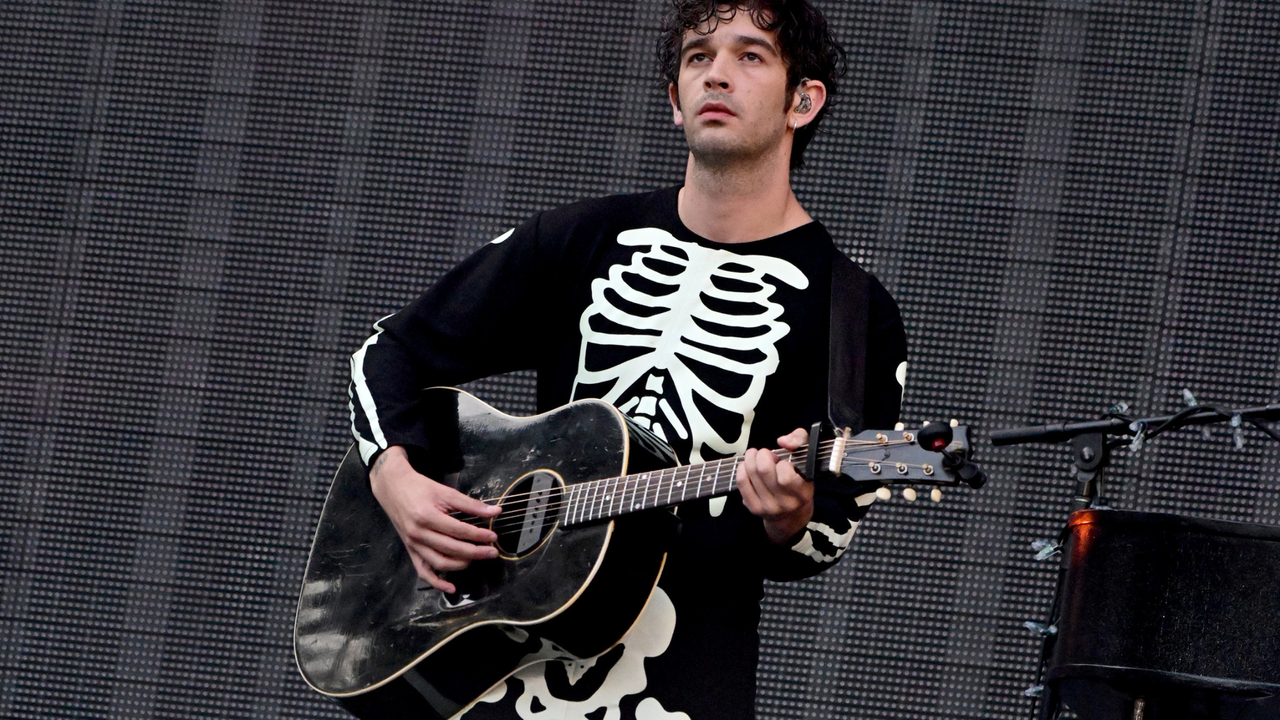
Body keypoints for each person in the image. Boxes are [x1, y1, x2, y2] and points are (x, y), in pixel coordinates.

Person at [347, 1, 908, 717]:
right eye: (698, 57)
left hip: (676, 684)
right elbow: (389, 351)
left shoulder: (854, 312)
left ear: (804, 101)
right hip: (492, 666)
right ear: (674, 101)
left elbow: (828, 529)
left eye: (750, 56)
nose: (717, 75)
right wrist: (397, 478)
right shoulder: (583, 238)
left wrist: (789, 514)